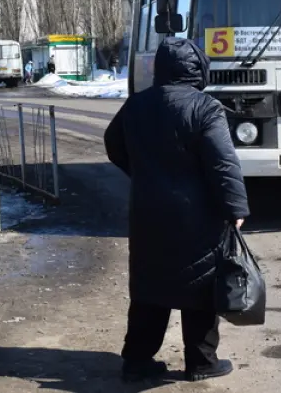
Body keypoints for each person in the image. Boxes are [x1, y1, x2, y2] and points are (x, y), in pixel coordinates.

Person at [103, 37, 249, 383]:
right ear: (197, 68)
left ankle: (137, 360)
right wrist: (235, 207)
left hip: (148, 212)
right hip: (196, 214)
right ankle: (201, 361)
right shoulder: (205, 107)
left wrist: (142, 174)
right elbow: (222, 163)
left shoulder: (136, 105)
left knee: (149, 286)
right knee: (200, 286)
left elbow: (113, 144)